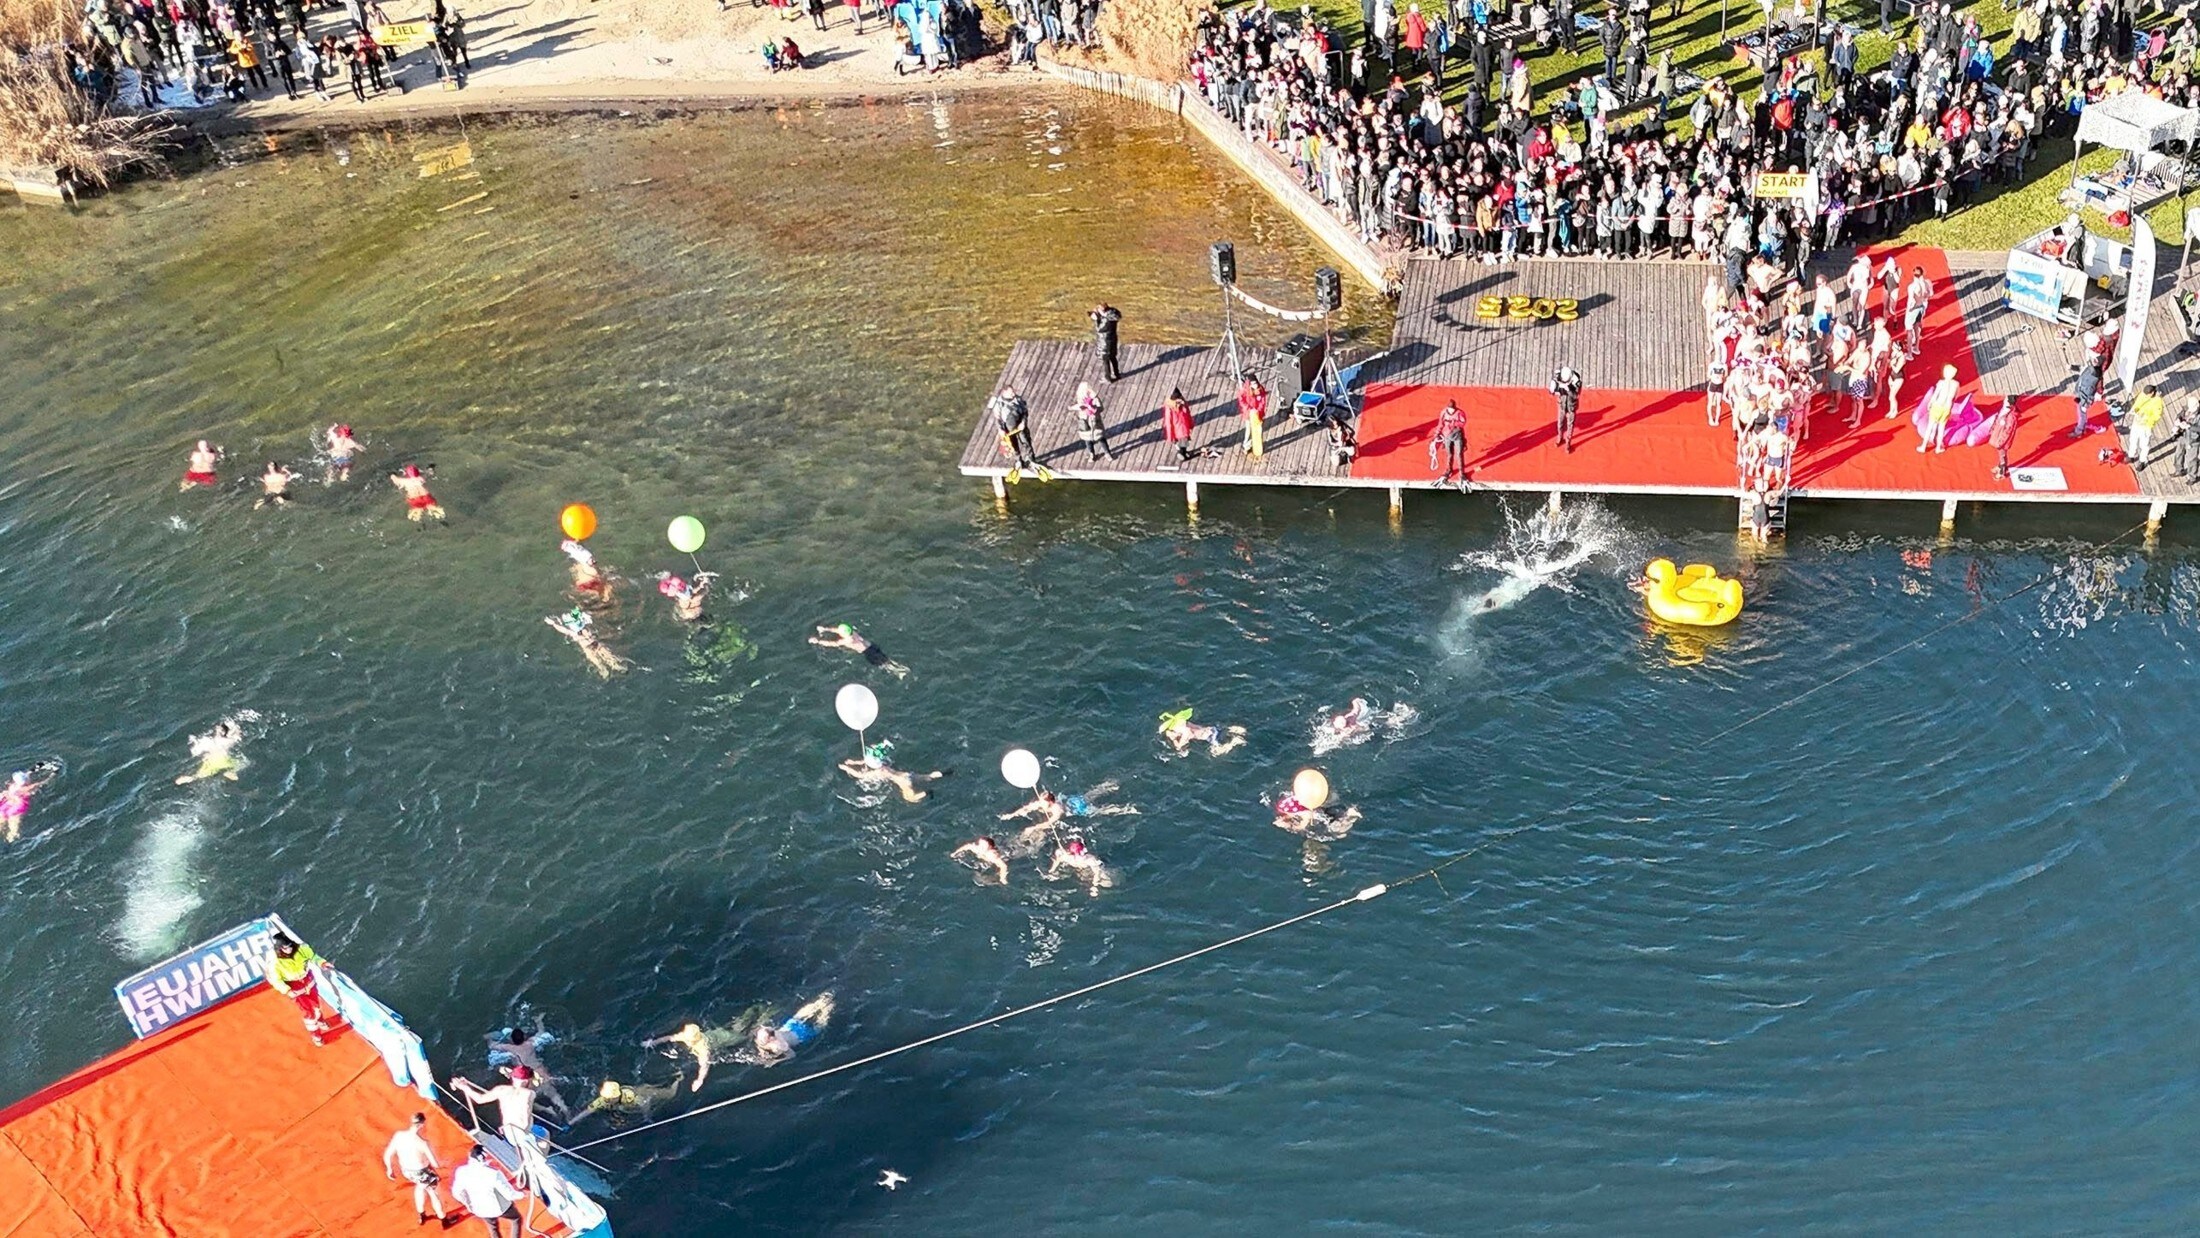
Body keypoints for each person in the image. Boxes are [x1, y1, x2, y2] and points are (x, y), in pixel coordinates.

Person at [264, 931, 341, 1045]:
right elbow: (275, 980)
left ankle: (320, 1021)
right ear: (280, 949)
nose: (289, 950)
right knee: (309, 1013)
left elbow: (313, 957)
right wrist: (287, 990)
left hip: (308, 981)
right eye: (285, 948)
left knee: (316, 1006)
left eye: (290, 946)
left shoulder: (301, 948)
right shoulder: (274, 962)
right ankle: (316, 1035)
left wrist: (322, 963)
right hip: (295, 988)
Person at [485, 1027, 573, 1120]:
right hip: (540, 1072)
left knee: (527, 1099)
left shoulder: (510, 1048)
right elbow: (541, 1032)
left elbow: (492, 1046)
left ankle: (547, 1110)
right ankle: (567, 1112)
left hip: (528, 1077)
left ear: (511, 1040)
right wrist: (539, 1022)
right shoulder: (530, 1044)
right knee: (553, 1094)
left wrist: (488, 1037)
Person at [382, 1112, 450, 1226]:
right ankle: (444, 1219)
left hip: (407, 1171)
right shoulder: (423, 1143)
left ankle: (421, 1214)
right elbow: (435, 1164)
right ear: (422, 1124)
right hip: (423, 1172)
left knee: (420, 1187)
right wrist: (445, 1162)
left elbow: (388, 1154)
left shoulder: (399, 1136)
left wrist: (389, 1169)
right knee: (434, 1193)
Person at [642, 1018, 745, 1091]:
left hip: (726, 1038)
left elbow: (704, 1066)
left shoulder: (703, 1049)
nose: (683, 1036)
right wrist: (652, 1043)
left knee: (744, 1036)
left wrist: (699, 1080)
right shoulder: (686, 1036)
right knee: (740, 1024)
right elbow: (669, 1037)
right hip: (718, 1033)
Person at [450, 1069, 541, 1148]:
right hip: (523, 1136)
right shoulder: (530, 1093)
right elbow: (525, 1117)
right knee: (544, 1134)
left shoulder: (501, 1089)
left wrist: (464, 1087)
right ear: (527, 1080)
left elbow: (480, 1099)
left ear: (513, 1078)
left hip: (509, 1133)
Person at [449, 1145, 523, 1238]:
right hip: (499, 1208)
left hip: (480, 1209)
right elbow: (509, 1195)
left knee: (493, 1227)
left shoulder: (461, 1171)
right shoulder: (494, 1173)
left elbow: (457, 1192)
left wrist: (468, 1203)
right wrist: (521, 1194)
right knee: (516, 1219)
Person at [838, 742, 944, 803]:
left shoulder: (879, 772)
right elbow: (869, 760)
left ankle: (928, 792)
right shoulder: (884, 765)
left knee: (910, 798)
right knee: (928, 776)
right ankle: (945, 773)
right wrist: (853, 762)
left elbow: (860, 775)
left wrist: (846, 768)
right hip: (906, 775)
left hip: (903, 782)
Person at [545, 608, 630, 678]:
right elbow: (563, 629)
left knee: (602, 659)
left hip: (590, 645)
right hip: (593, 644)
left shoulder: (576, 631)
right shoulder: (583, 627)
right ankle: (610, 669)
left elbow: (563, 629)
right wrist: (554, 623)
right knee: (603, 659)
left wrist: (554, 623)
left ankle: (609, 670)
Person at [753, 993, 835, 1063]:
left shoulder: (777, 1045)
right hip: (795, 1029)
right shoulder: (772, 1036)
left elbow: (792, 1055)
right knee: (817, 1018)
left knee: (819, 1022)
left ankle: (826, 1005)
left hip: (797, 1032)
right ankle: (826, 1003)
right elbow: (791, 1054)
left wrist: (775, 1061)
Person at [576, 1073, 686, 1125]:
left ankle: (678, 1079)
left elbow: (644, 1103)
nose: (606, 1100)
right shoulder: (603, 1100)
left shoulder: (629, 1097)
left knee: (670, 1094)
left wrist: (646, 1117)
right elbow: (588, 1110)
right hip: (630, 1098)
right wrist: (571, 1122)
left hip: (643, 1093)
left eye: (609, 1098)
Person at [808, 623, 909, 677]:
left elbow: (833, 644)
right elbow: (839, 630)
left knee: (883, 664)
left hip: (868, 653)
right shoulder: (852, 633)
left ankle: (898, 672)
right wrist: (825, 629)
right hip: (872, 646)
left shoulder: (847, 640)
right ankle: (901, 667)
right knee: (885, 658)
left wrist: (817, 641)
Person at [174, 719, 243, 784]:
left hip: (212, 761)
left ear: (220, 731)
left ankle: (190, 778)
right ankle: (230, 772)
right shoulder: (229, 741)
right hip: (225, 759)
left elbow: (197, 750)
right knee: (240, 764)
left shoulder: (209, 741)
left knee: (199, 776)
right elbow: (237, 735)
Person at [988, 385, 1038, 472]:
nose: (1013, 394)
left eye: (1013, 392)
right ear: (1004, 393)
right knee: (1013, 444)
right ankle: (1018, 460)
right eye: (1011, 393)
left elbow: (1025, 412)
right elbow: (998, 419)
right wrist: (1001, 430)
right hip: (1008, 428)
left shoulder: (1018, 400)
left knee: (1025, 441)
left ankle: (1031, 459)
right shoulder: (998, 404)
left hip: (1020, 425)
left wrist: (1023, 423)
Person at [1158, 708, 1246, 756]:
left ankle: (1234, 741)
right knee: (1220, 732)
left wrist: (1175, 741)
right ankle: (1230, 729)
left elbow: (1181, 744)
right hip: (1211, 729)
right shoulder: (1181, 722)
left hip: (1210, 736)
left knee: (1214, 752)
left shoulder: (1184, 731)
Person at [1, 768, 53, 843]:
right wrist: (52, 775)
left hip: (6, 805)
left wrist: (34, 769)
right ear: (25, 782)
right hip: (17, 807)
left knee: (1, 821)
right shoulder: (26, 788)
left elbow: (26, 774)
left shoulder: (12, 786)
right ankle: (10, 841)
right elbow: (43, 782)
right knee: (13, 830)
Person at [1045, 836, 1109, 894]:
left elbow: (1097, 872)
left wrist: (1094, 884)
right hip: (1083, 870)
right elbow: (1097, 872)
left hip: (1083, 870)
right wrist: (1095, 885)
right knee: (1107, 883)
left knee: (1106, 882)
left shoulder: (1068, 857)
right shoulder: (1088, 859)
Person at [1920, 364, 1959, 453]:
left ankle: (1923, 446)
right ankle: (1938, 448)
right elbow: (1956, 396)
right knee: (1941, 428)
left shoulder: (1941, 383)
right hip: (1946, 408)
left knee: (1930, 426)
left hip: (1937, 406)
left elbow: (1935, 395)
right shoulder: (1956, 384)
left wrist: (1930, 403)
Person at [2128, 383, 2165, 471]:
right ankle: (2131, 455)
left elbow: (2157, 415)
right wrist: (2134, 409)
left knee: (2144, 445)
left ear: (2152, 393)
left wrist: (2146, 418)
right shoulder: (2143, 394)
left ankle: (2143, 461)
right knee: (2133, 439)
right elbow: (2137, 403)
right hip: (2137, 421)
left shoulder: (2158, 401)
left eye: (2146, 395)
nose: (2144, 396)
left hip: (2146, 425)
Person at [1430, 398, 1467, 483]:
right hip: (1447, 435)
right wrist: (1436, 435)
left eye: (1452, 409)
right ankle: (1449, 470)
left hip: (1457, 435)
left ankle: (1461, 472)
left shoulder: (1460, 413)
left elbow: (1463, 423)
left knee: (1459, 454)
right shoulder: (1443, 413)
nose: (1451, 411)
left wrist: (1453, 424)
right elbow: (1440, 424)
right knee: (1449, 454)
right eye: (1450, 409)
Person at [1550, 365, 1583, 451]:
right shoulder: (1560, 376)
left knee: (1570, 425)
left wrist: (1568, 390)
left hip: (1571, 407)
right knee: (1559, 423)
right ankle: (1560, 437)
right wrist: (1554, 389)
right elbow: (1552, 390)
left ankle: (1568, 442)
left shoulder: (1577, 382)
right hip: (1561, 405)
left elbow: (1576, 396)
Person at [1073, 381, 1109, 460]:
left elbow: (1078, 408)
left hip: (1085, 422)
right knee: (1100, 437)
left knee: (1088, 439)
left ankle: (1092, 455)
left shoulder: (1080, 398)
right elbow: (1101, 408)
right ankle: (1107, 453)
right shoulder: (1093, 398)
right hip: (1094, 420)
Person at [1237, 374, 1269, 458]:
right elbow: (1241, 400)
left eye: (1255, 383)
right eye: (1253, 384)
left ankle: (1256, 444)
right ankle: (1246, 446)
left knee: (1258, 430)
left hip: (1258, 414)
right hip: (1249, 414)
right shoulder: (1245, 390)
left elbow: (1262, 402)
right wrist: (1248, 408)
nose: (1255, 385)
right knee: (1248, 430)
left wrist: (1258, 410)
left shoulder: (1260, 390)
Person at [1987, 395, 2018, 480]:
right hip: (1999, 436)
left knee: (2002, 455)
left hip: (2003, 440)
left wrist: (2001, 441)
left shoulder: (2011, 416)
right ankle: (2000, 466)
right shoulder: (2007, 411)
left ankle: (2002, 472)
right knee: (2001, 454)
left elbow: (2008, 431)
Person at [1903, 265, 1932, 353]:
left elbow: (1912, 299)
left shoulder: (1912, 286)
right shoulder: (1925, 283)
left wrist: (1911, 309)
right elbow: (1929, 294)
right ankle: (1916, 347)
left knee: (1909, 329)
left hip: (1914, 308)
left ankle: (1909, 353)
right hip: (1921, 307)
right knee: (1917, 327)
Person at [1162, 388, 1196, 461]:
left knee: (1185, 442)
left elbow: (1188, 414)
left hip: (1184, 427)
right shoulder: (1170, 408)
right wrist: (1170, 436)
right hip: (1178, 430)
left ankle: (1184, 453)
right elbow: (1168, 423)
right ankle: (1182, 454)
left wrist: (1191, 424)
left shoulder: (1183, 403)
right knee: (1182, 443)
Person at [1090, 303, 1121, 382]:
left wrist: (1096, 320)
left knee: (1106, 359)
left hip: (1105, 342)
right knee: (1112, 357)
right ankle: (1116, 374)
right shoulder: (1112, 314)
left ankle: (1108, 378)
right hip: (1112, 339)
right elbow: (1117, 316)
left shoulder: (1106, 320)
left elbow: (1100, 329)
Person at [2177, 393, 2200, 482]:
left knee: (2192, 459)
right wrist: (2178, 420)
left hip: (2193, 439)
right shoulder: (2187, 408)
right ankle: (2179, 469)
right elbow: (2180, 414)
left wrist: (2189, 426)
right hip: (2183, 435)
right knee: (2178, 453)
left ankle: (2192, 477)